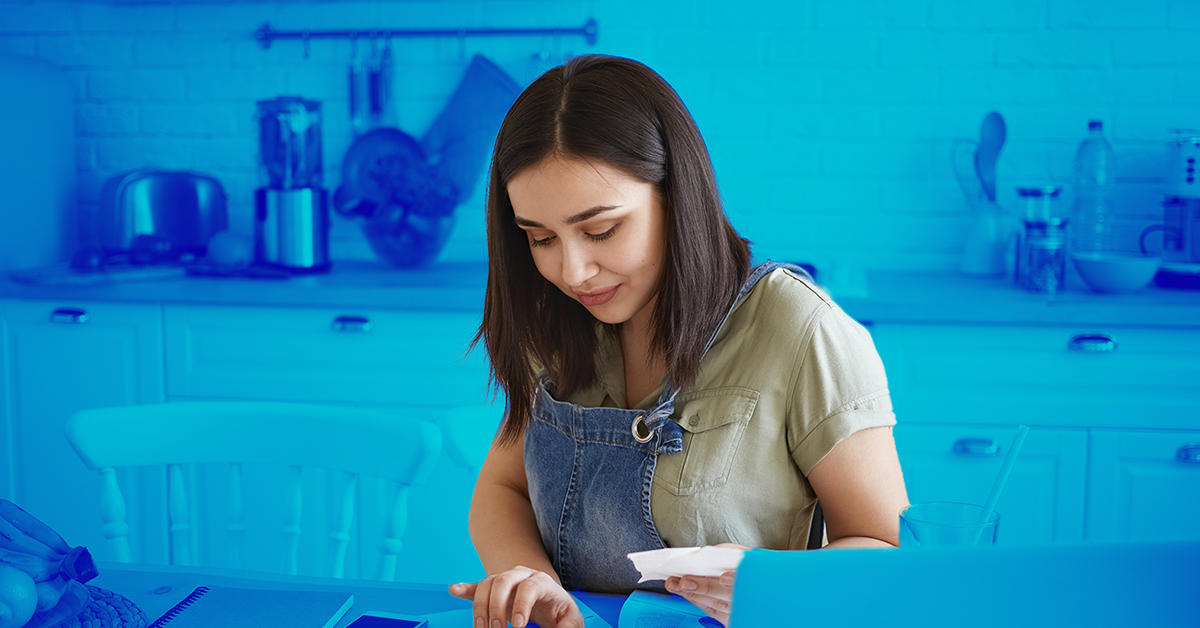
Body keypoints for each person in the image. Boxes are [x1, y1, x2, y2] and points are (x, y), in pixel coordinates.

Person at [448, 54, 909, 628]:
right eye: (541, 239)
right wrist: (532, 580)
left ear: (676, 195)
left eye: (601, 230)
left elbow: (885, 547)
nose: (574, 271)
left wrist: (775, 586)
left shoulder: (798, 327)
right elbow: (502, 485)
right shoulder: (559, 320)